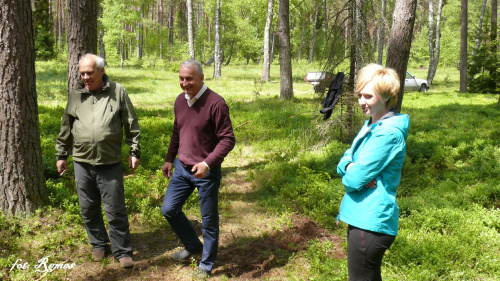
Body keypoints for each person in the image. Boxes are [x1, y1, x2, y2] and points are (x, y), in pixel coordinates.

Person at [55, 54, 140, 269]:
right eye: (82, 73)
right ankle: (99, 244)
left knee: (115, 208)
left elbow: (131, 122)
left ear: (101, 71)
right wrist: (61, 154)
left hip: (109, 162)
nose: (85, 77)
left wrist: (134, 150)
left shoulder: (117, 91)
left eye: (89, 73)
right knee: (88, 207)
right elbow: (66, 126)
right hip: (81, 161)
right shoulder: (75, 95)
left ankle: (122, 250)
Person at [161, 59, 235, 277]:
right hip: (182, 168)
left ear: (202, 78)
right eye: (181, 79)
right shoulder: (179, 101)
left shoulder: (215, 103)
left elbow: (227, 139)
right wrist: (169, 158)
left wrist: (207, 164)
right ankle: (194, 247)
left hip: (206, 172)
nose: (185, 83)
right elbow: (177, 131)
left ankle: (207, 263)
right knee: (169, 210)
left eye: (189, 79)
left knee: (209, 220)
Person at [336, 64, 410, 280]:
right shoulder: (372, 124)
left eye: (368, 96)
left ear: (387, 96)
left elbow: (352, 180)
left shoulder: (387, 134)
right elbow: (346, 160)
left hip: (370, 223)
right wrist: (350, 166)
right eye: (359, 95)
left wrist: (353, 172)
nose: (361, 102)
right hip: (363, 217)